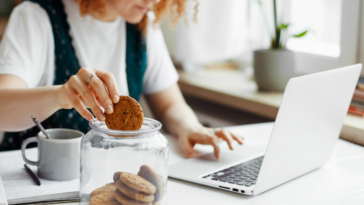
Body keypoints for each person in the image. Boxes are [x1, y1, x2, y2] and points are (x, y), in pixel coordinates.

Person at [0, 0, 243, 158]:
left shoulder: (143, 25)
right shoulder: (35, 17)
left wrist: (190, 127)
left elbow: (170, 105)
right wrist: (59, 95)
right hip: (35, 183)